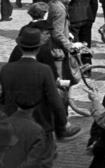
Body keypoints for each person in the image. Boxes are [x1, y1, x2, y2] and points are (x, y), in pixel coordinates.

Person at [0, 26, 74, 167]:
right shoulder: (44, 70)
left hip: (12, 123)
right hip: (40, 121)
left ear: (20, 47)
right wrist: (64, 122)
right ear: (38, 48)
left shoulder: (7, 69)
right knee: (43, 160)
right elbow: (54, 99)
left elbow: (3, 97)